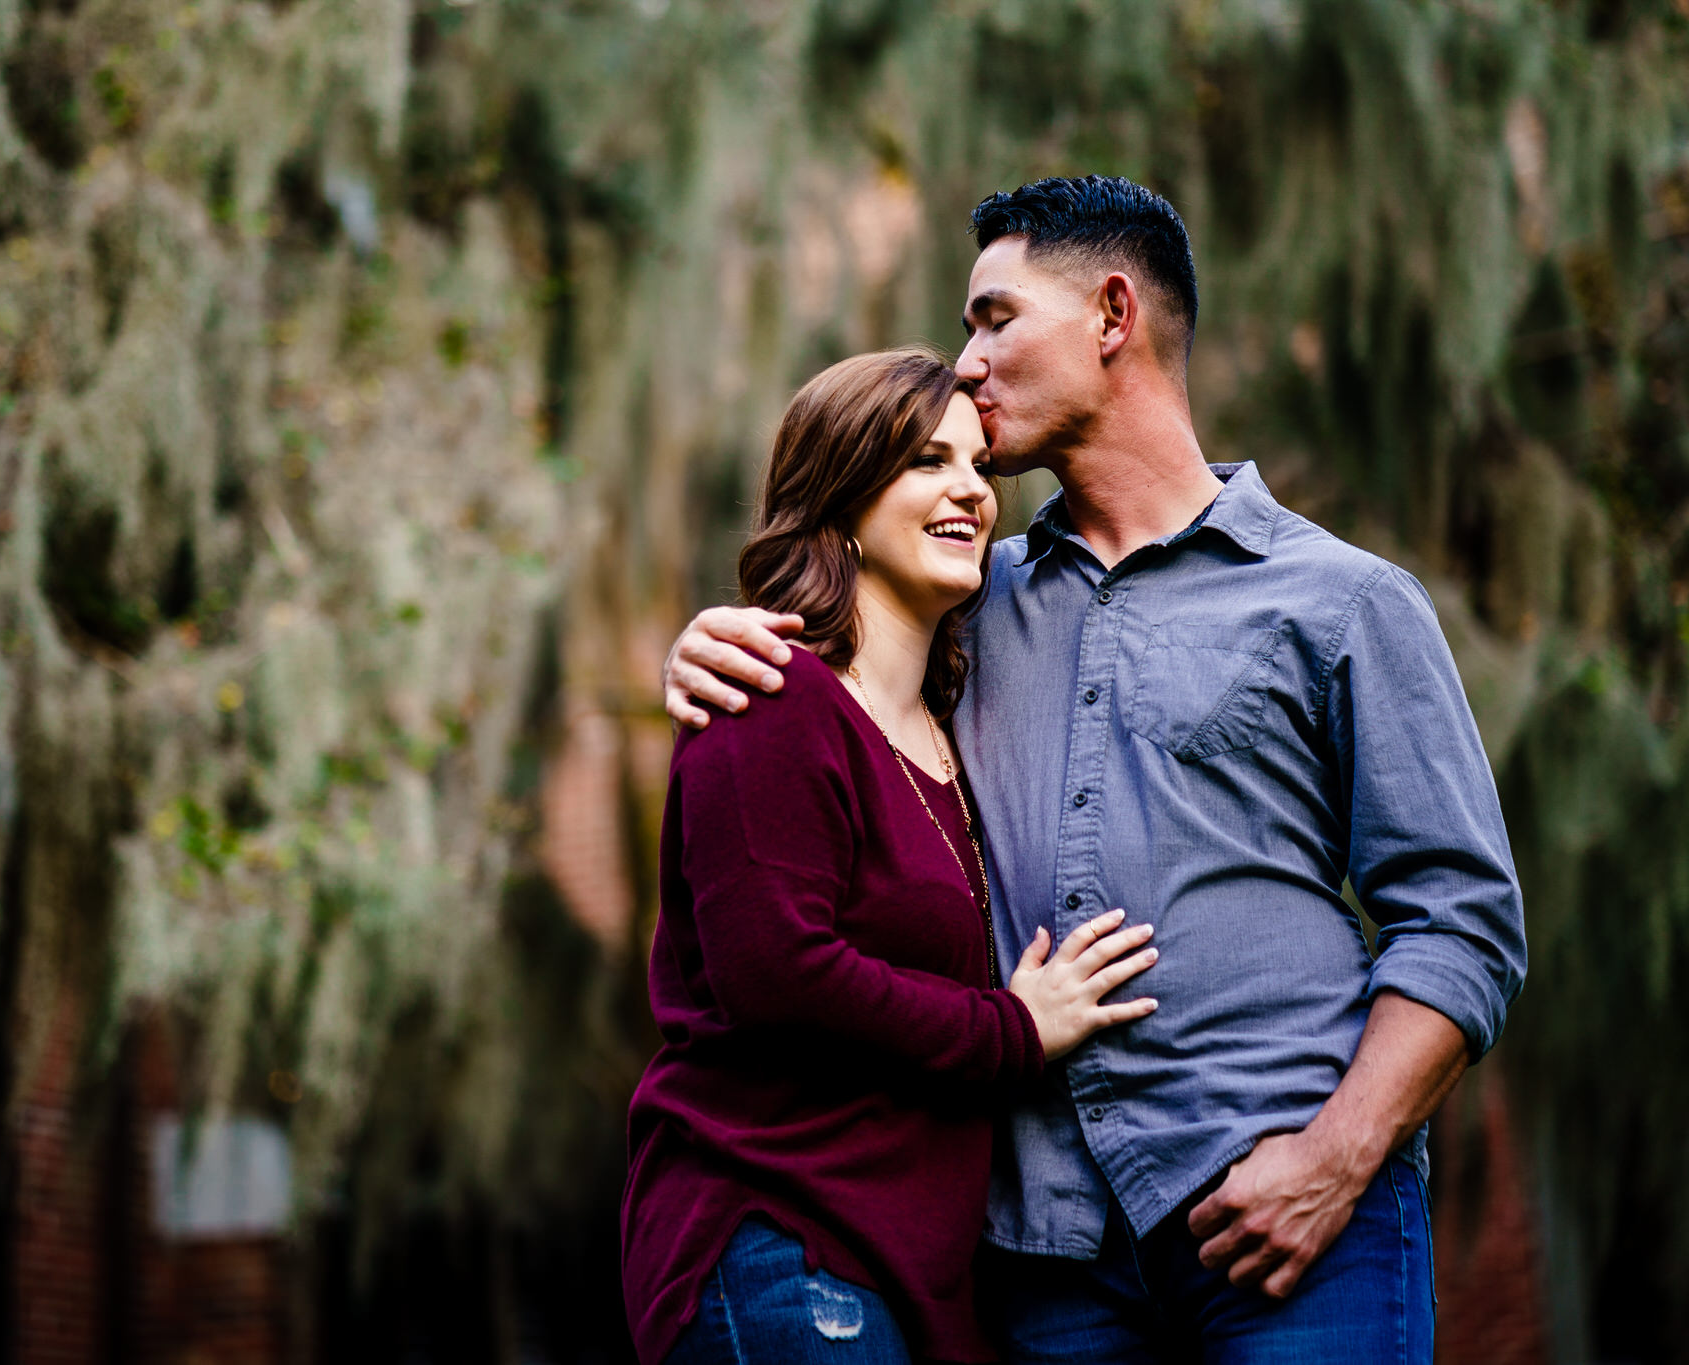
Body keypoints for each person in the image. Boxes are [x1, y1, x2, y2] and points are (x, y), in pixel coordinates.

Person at [660, 177, 1527, 1363]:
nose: (965, 362)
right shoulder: (965, 603)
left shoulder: (1343, 603)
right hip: (1042, 1256)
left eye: (994, 318)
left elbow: (1461, 926)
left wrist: (1332, 1163)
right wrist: (718, 638)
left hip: (1289, 1221)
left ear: (1112, 314)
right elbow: (831, 706)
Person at [622, 348, 1162, 1365]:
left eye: (974, 467)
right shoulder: (772, 698)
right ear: (840, 495)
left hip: (906, 1264)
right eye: (922, 461)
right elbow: (774, 972)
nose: (965, 488)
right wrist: (1011, 1028)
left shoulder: (944, 727)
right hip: (780, 1238)